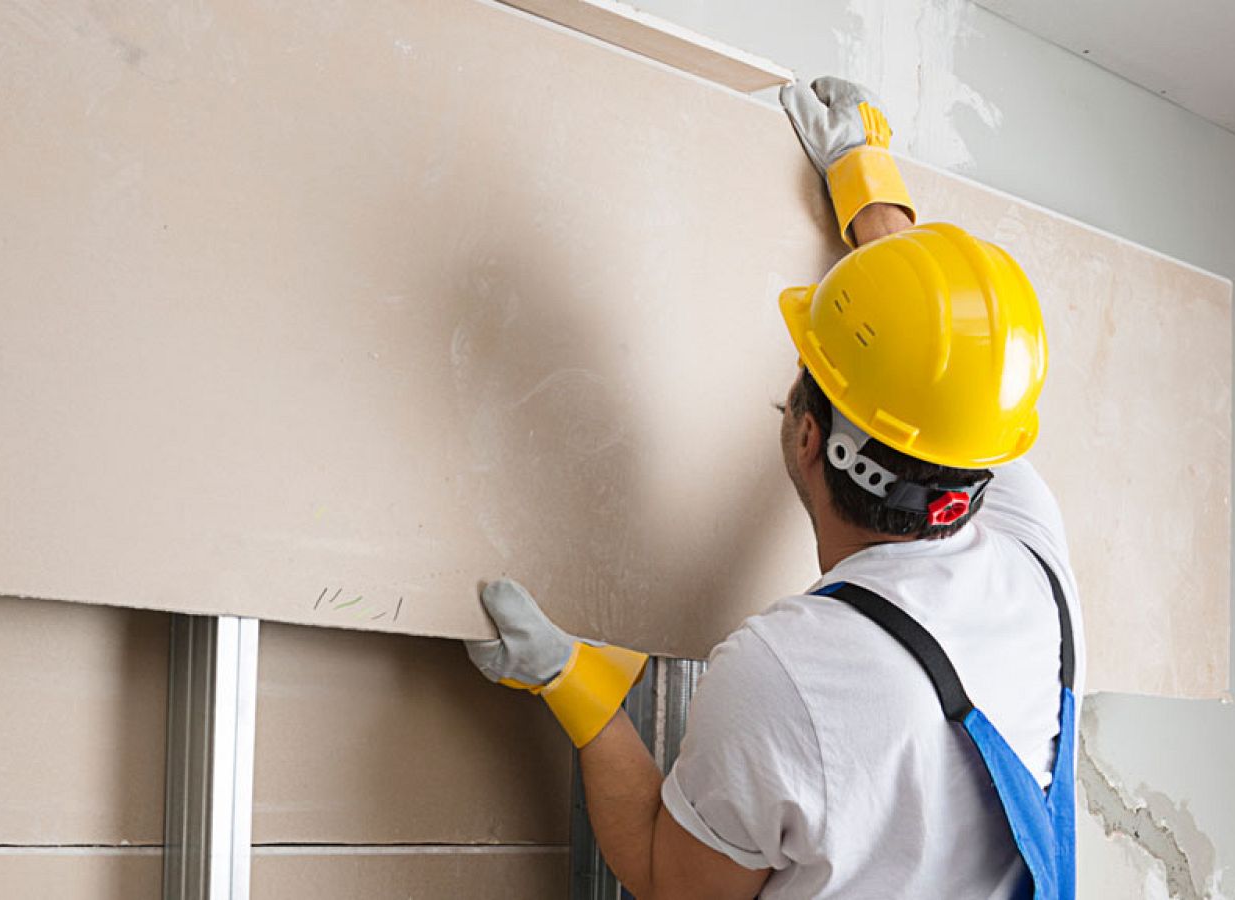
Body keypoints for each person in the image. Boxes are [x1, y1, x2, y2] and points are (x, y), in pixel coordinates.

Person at [463, 76, 1083, 899]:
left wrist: (572, 683)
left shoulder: (788, 675)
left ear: (804, 435)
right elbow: (944, 373)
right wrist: (868, 185)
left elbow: (665, 877)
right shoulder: (1031, 557)